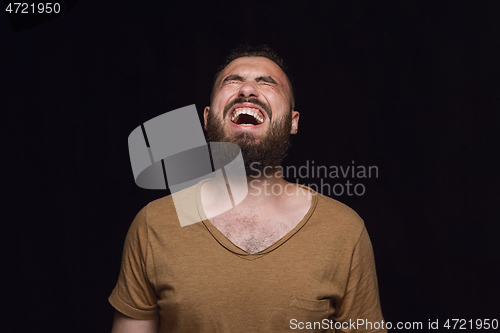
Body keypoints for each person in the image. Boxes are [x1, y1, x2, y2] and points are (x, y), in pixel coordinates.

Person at [109, 45, 386, 333]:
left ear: (293, 122)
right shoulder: (152, 225)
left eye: (266, 82)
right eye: (233, 81)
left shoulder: (344, 231)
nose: (247, 90)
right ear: (207, 118)